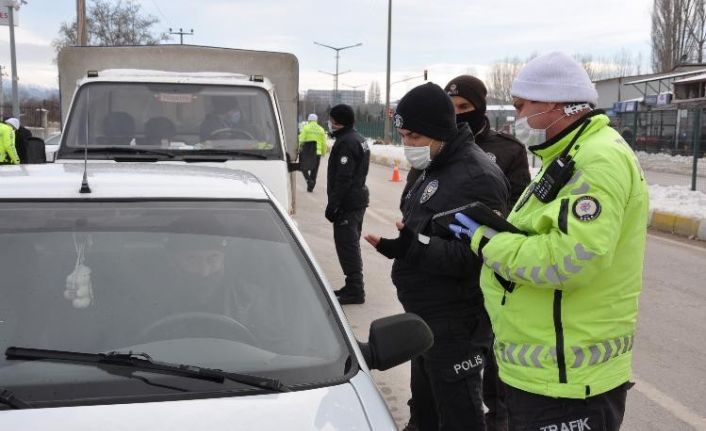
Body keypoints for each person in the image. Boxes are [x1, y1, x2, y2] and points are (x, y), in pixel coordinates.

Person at [450, 52, 649, 431]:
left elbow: (569, 259)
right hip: (545, 374)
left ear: (555, 103)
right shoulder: (569, 154)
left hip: (568, 383)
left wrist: (486, 241)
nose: (517, 116)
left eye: (522, 105)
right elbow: (544, 233)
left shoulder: (598, 160)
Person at [364, 82, 509, 430]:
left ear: (439, 131)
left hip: (457, 321)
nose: (407, 145)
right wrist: (401, 246)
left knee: (459, 415)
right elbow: (422, 227)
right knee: (425, 411)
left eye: (414, 136)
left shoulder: (477, 177)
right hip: (425, 315)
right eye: (403, 136)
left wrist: (415, 247)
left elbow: (480, 255)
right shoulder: (431, 164)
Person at [445, 75, 531, 207]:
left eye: (464, 107)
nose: (456, 114)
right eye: (450, 108)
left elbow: (519, 205)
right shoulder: (437, 146)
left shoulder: (510, 149)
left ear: (480, 108)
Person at [326, 104, 370, 305]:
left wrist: (333, 204)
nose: (330, 123)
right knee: (350, 243)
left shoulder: (346, 142)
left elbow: (344, 177)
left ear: (338, 121)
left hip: (347, 203)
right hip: (357, 200)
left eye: (332, 119)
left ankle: (355, 289)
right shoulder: (359, 139)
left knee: (347, 245)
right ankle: (352, 284)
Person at [298, 113, 328, 192]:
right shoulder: (321, 129)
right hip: (317, 153)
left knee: (303, 167)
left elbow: (301, 139)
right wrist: (323, 152)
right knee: (314, 170)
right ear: (316, 120)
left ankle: (308, 180)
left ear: (309, 120)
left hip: (307, 152)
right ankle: (310, 187)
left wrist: (298, 148)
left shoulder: (306, 128)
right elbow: (324, 143)